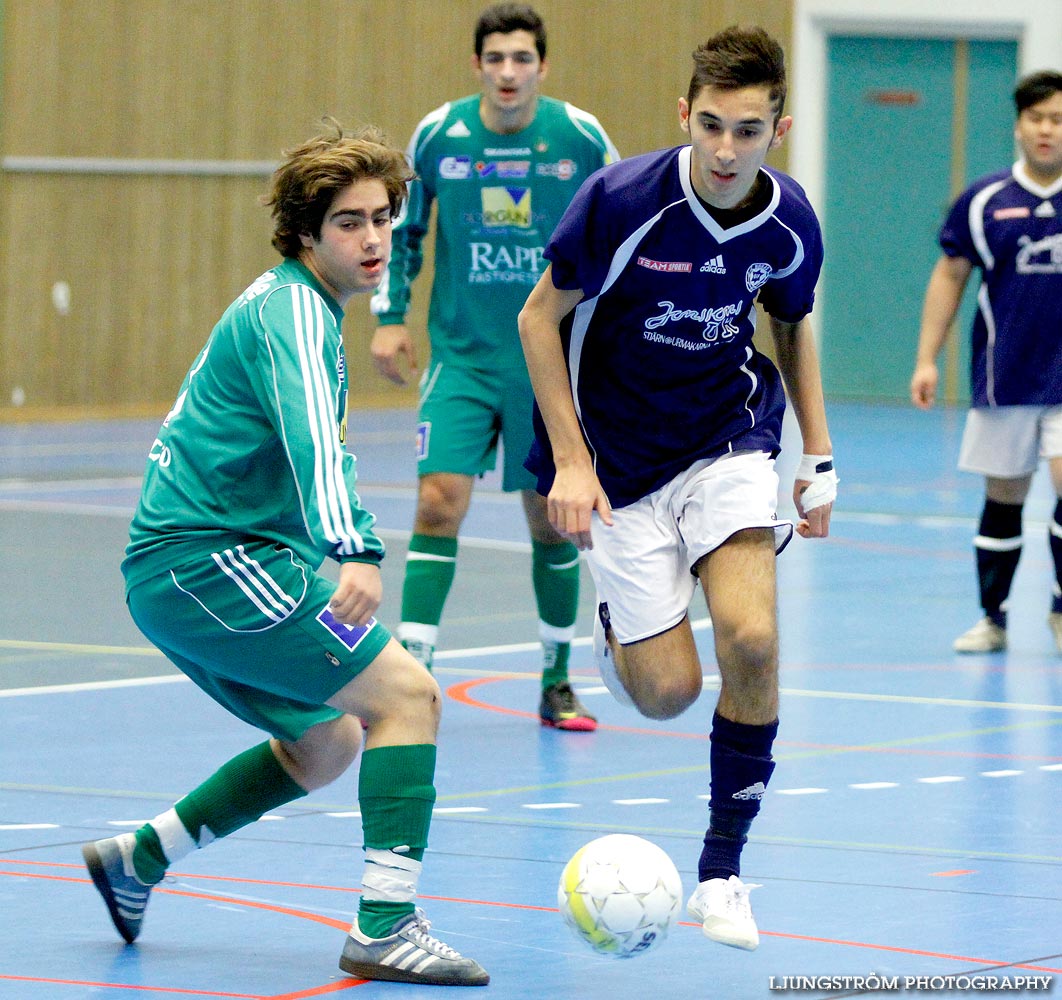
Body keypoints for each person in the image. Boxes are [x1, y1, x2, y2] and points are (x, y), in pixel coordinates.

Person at [80, 120, 489, 987]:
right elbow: (314, 444)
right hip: (207, 562)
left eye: (383, 216)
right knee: (409, 695)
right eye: (350, 222)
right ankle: (384, 924)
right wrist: (358, 550)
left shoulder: (290, 305)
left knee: (327, 741)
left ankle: (139, 858)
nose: (374, 237)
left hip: (186, 570)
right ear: (307, 232)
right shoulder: (296, 312)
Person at [518, 25, 837, 951]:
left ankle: (723, 873)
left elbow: (791, 326)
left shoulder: (790, 221)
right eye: (712, 126)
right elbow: (540, 321)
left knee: (753, 636)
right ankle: (621, 628)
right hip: (617, 461)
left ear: (780, 125)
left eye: (749, 128)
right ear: (683, 117)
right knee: (665, 695)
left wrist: (817, 457)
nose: (728, 149)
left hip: (727, 440)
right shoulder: (619, 202)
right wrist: (572, 463)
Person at [369, 2, 619, 731]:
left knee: (551, 522)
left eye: (522, 59)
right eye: (496, 59)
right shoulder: (440, 136)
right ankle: (409, 680)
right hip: (463, 360)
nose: (509, 72)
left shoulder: (579, 138)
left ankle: (556, 680)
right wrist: (389, 319)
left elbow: (622, 230)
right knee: (436, 503)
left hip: (549, 368)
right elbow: (401, 230)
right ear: (477, 65)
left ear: (542, 65)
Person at [911, 70, 1062, 655]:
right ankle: (994, 618)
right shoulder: (984, 200)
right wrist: (927, 359)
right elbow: (949, 277)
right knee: (1005, 499)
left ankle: (1058, 607)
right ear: (1020, 126)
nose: (1047, 130)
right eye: (1037, 119)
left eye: (1057, 119)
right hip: (1006, 379)